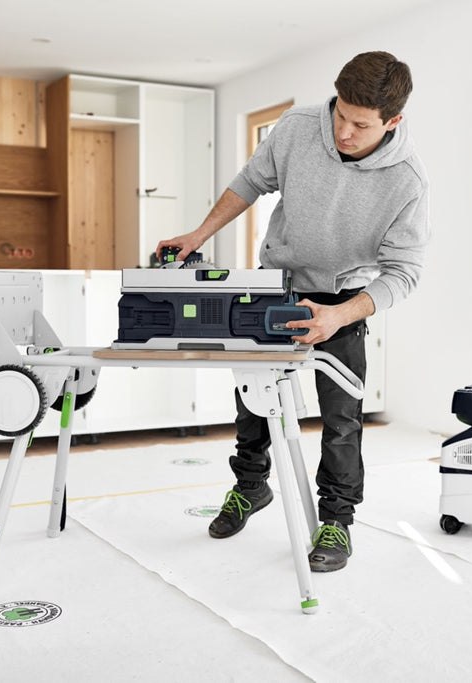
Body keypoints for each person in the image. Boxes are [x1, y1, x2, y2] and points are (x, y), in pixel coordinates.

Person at [156, 51, 430, 572]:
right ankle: (250, 487)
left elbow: (404, 273)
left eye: (361, 125)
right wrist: (199, 234)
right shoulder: (298, 126)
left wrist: (339, 316)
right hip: (275, 286)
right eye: (341, 114)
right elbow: (250, 182)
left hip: (342, 302)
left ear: (393, 121)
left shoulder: (407, 181)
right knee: (254, 403)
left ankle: (337, 521)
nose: (344, 132)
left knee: (341, 420)